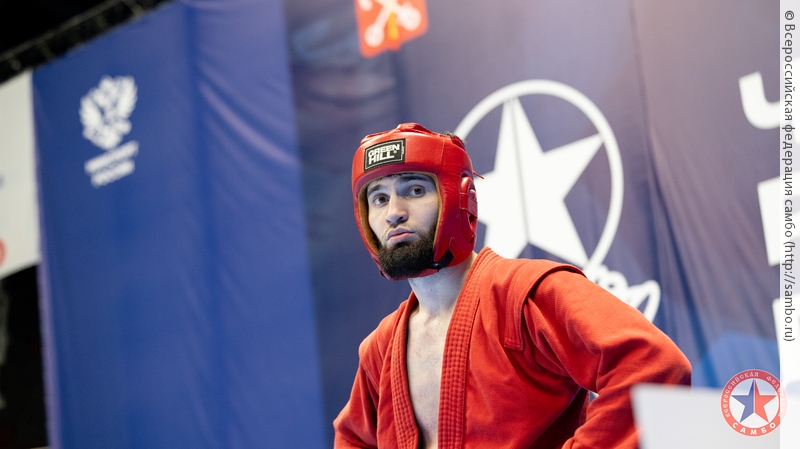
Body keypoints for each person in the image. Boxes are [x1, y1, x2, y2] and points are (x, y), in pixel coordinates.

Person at [334, 123, 691, 449]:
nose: (393, 212)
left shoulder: (529, 295)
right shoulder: (379, 350)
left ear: (460, 197)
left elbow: (653, 366)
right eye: (379, 198)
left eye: (414, 190)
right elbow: (352, 439)